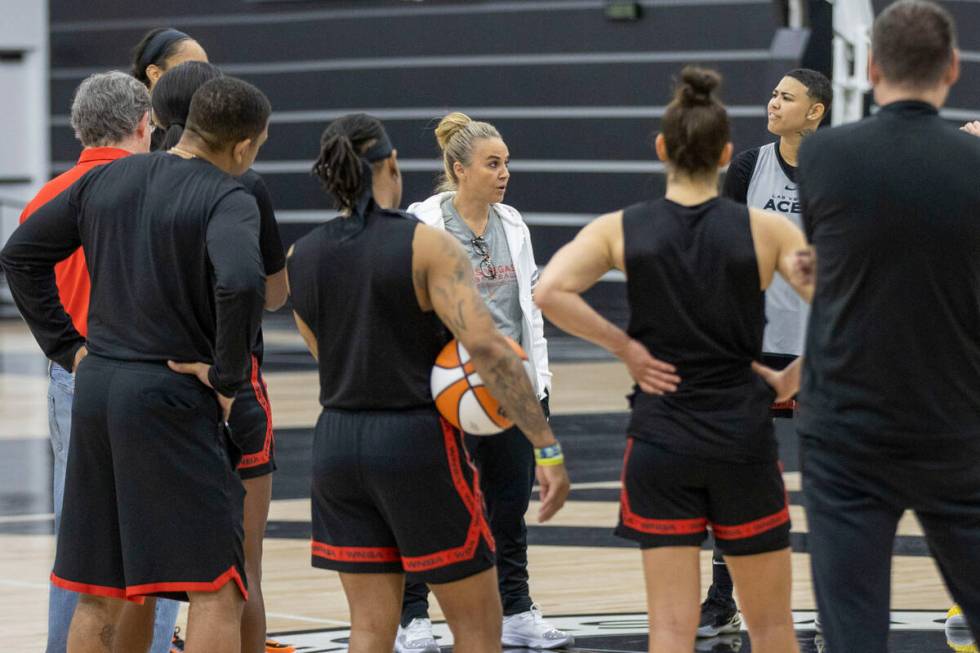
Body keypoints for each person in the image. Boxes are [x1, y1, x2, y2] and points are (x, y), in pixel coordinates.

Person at [534, 67, 811, 653]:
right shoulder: (767, 230)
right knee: (773, 628)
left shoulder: (621, 228)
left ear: (661, 148)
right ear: (726, 154)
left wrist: (626, 348)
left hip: (660, 438)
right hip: (741, 435)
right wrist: (797, 372)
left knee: (669, 629)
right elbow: (852, 305)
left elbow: (549, 290)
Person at [1, 76, 271, 653]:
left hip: (97, 390)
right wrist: (226, 376)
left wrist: (66, 347)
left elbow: (19, 254)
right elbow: (244, 281)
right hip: (170, 396)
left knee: (99, 588)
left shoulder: (106, 179)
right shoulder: (228, 195)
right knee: (216, 589)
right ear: (244, 145)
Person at [286, 113, 571, 653]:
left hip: (337, 441)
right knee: (478, 629)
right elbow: (488, 349)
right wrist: (547, 445)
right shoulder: (425, 242)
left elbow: (323, 351)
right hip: (413, 435)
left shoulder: (301, 256)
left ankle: (475, 614)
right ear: (391, 165)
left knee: (370, 628)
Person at [793, 2, 980, 650]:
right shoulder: (973, 162)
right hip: (956, 425)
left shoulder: (822, 157)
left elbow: (833, 259)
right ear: (953, 68)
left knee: (853, 630)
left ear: (870, 67)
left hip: (847, 431)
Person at [114, 61, 287, 653]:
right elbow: (264, 290)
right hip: (223, 383)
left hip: (139, 385)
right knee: (240, 576)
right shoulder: (243, 186)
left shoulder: (130, 180)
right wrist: (227, 373)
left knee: (137, 582)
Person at [393, 112, 570, 651]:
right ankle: (412, 617)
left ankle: (516, 608)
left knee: (509, 504)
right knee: (433, 503)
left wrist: (537, 385)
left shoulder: (512, 223)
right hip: (447, 391)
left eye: (506, 163)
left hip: (510, 390)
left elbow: (528, 313)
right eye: (493, 164)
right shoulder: (420, 224)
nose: (504, 173)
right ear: (458, 168)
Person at [17, 70, 153, 653]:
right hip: (136, 371)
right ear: (144, 125)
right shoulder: (147, 187)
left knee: (79, 539)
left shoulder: (46, 196)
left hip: (72, 377)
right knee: (157, 535)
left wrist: (65, 350)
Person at [698, 67, 831, 638]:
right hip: (756, 349)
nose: (773, 103)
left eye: (787, 96)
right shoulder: (749, 167)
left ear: (816, 111)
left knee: (828, 482)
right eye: (773, 94)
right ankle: (721, 596)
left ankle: (834, 603)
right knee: (738, 478)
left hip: (824, 352)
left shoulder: (840, 171)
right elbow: (724, 250)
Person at [129, 27, 208, 150]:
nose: (202, 77)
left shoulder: (211, 130)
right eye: (189, 69)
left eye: (205, 69)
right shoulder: (122, 131)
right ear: (155, 74)